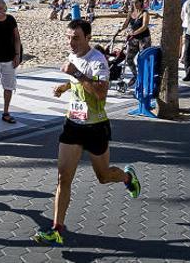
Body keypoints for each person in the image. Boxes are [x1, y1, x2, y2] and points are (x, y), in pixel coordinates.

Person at [32, 19, 141, 246]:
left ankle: (128, 177)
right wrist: (65, 86)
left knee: (103, 177)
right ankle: (57, 229)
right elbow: (77, 82)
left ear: (88, 38)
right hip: (72, 125)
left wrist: (77, 74)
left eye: (76, 38)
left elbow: (101, 93)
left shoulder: (98, 61)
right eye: (69, 37)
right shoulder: (73, 56)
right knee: (63, 178)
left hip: (95, 127)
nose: (71, 42)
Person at [113, 0, 151, 86]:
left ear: (141, 2)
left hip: (143, 39)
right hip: (133, 39)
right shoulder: (131, 12)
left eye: (136, 2)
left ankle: (144, 78)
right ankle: (135, 75)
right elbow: (126, 24)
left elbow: (144, 26)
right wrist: (119, 30)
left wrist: (134, 33)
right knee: (129, 58)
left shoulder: (144, 13)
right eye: (132, 2)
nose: (134, 4)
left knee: (142, 59)